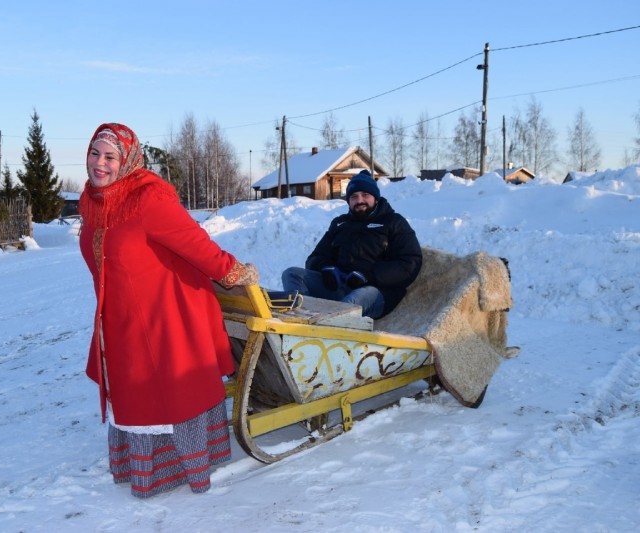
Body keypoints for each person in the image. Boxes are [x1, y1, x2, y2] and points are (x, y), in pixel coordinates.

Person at [78, 123, 258, 498]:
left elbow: (195, 244)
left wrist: (235, 272)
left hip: (164, 315)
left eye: (110, 156)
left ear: (127, 160)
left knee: (166, 391)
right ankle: (142, 467)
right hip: (119, 317)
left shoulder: (148, 198)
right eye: (95, 153)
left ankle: (182, 467)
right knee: (134, 393)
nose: (100, 164)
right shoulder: (92, 200)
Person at [281, 169, 421, 319]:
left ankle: (327, 330)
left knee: (351, 303)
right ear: (348, 201)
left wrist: (369, 275)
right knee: (292, 274)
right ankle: (301, 320)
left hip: (375, 291)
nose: (360, 200)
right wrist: (326, 268)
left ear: (375, 197)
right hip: (340, 287)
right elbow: (316, 257)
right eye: (354, 196)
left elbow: (410, 263)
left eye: (365, 195)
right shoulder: (340, 223)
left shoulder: (393, 222)